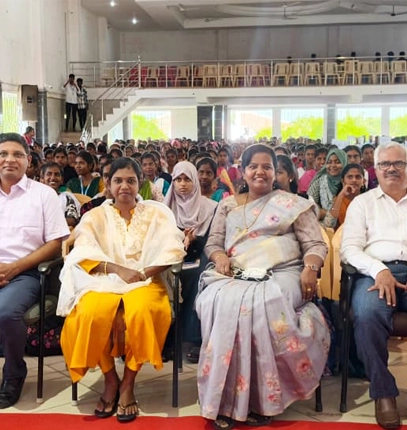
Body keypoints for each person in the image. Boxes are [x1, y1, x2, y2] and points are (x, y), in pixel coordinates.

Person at [196, 144, 330, 430]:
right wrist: (220, 258)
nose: (260, 172)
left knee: (263, 304)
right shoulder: (228, 205)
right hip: (236, 271)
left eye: (267, 167)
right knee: (220, 301)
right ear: (243, 171)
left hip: (283, 271)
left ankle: (262, 399)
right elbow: (214, 243)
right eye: (253, 166)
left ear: (276, 171)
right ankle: (224, 399)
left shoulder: (294, 204)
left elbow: (315, 244)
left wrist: (311, 268)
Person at [57, 157, 185, 423]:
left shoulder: (158, 213)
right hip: (103, 280)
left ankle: (128, 382)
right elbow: (83, 253)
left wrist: (142, 274)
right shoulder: (94, 216)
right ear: (107, 183)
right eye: (118, 180)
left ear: (140, 183)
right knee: (89, 313)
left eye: (131, 180)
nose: (124, 186)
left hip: (147, 280)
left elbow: (173, 249)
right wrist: (117, 270)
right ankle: (110, 379)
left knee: (142, 312)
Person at [0, 133, 70, 408]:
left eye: (17, 154)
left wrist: (14, 268)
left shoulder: (43, 195)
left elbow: (55, 243)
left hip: (26, 273)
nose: (10, 159)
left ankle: (14, 373)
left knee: (6, 313)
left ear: (28, 161)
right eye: (3, 154)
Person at [341, 142, 407, 430]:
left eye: (399, 163)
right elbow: (349, 249)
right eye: (385, 164)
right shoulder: (363, 203)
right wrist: (379, 270)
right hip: (374, 272)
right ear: (375, 169)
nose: (392, 169)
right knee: (367, 314)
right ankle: (384, 393)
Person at [164, 161, 217, 363]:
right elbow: (158, 240)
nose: (182, 184)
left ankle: (194, 339)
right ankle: (168, 339)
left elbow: (214, 241)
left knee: (200, 273)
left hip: (198, 256)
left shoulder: (211, 208)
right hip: (170, 258)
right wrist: (178, 240)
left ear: (195, 181)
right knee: (165, 275)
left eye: (187, 179)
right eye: (178, 179)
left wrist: (194, 239)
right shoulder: (165, 210)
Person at [308, 148, 347, 227]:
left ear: (344, 162)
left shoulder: (349, 181)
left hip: (346, 225)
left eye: (337, 162)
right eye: (329, 162)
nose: (333, 165)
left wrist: (325, 213)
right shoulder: (321, 181)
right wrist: (321, 212)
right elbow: (309, 203)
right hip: (324, 226)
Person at [323, 163, 365, 230]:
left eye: (358, 177)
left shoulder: (369, 200)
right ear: (343, 181)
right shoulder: (336, 200)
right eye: (350, 177)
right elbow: (329, 224)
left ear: (364, 181)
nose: (354, 180)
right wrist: (341, 195)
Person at [40, 162, 80, 227]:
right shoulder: (35, 198)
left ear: (61, 180)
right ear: (42, 179)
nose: (53, 178)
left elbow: (72, 220)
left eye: (57, 175)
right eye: (49, 174)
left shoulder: (66, 197)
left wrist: (48, 223)